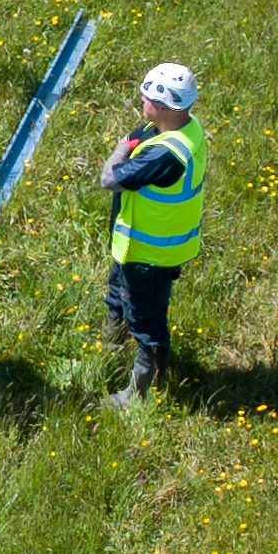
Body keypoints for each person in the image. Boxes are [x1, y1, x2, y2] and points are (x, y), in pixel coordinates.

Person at [98, 60, 202, 403]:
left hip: (151, 255)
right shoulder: (183, 127)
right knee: (118, 295)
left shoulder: (166, 153)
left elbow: (109, 179)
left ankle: (141, 393)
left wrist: (119, 148)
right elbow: (135, 138)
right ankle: (111, 346)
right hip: (133, 246)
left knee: (147, 322)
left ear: (159, 105)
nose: (140, 101)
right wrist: (129, 144)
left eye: (144, 97)